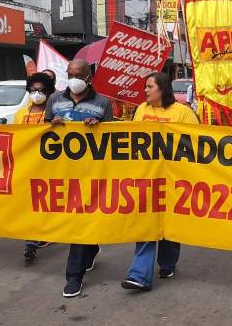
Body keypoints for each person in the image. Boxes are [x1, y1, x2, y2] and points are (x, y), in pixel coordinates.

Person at [121, 72, 199, 291]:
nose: (145, 90)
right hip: (147, 177)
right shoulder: (141, 110)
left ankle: (167, 262)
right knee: (146, 223)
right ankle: (139, 274)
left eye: (149, 86)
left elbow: (194, 143)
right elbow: (134, 140)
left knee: (170, 223)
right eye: (145, 87)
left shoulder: (183, 112)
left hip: (175, 179)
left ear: (162, 89)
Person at [46, 59, 113, 298]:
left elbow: (112, 139)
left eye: (78, 74)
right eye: (70, 73)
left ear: (89, 78)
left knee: (80, 223)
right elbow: (41, 132)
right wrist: (51, 124)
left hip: (89, 174)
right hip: (60, 173)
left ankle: (73, 276)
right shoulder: (54, 100)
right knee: (77, 223)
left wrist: (99, 127)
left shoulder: (103, 103)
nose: (73, 78)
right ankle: (92, 248)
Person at [13, 72, 57, 262]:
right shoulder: (20, 114)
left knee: (45, 203)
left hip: (48, 166)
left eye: (41, 90)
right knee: (30, 204)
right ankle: (31, 243)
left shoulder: (55, 113)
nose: (37, 93)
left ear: (48, 92)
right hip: (26, 166)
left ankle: (41, 235)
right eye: (33, 90)